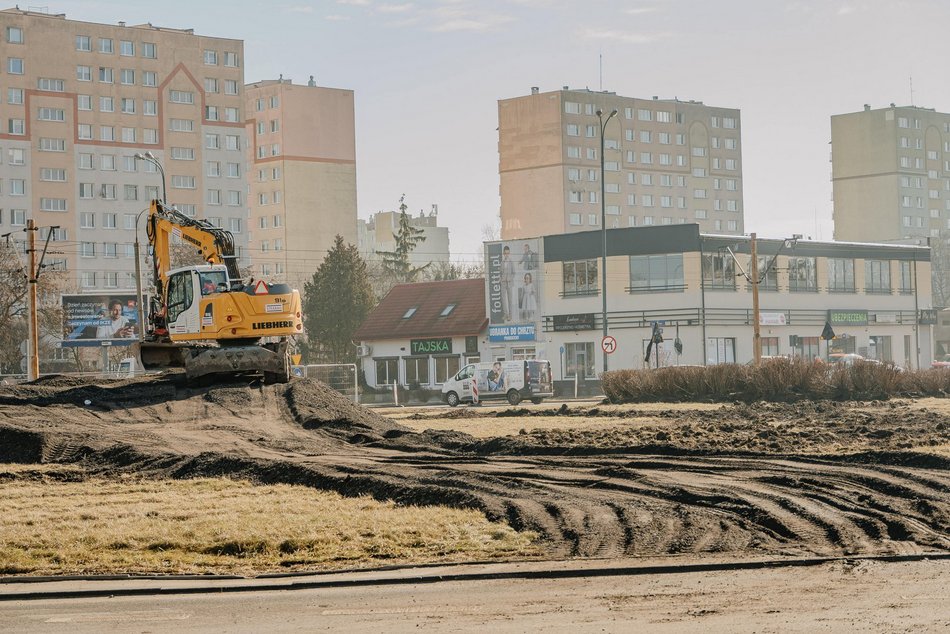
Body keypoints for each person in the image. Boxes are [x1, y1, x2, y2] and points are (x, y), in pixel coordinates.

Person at [500, 245, 514, 322]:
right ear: (503, 253)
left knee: (510, 300)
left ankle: (510, 315)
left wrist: (510, 278)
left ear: (509, 253)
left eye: (508, 253)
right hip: (503, 283)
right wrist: (500, 278)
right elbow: (500, 272)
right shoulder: (502, 262)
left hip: (509, 283)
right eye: (505, 253)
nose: (506, 255)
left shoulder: (511, 262)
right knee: (503, 299)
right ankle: (506, 314)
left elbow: (514, 273)